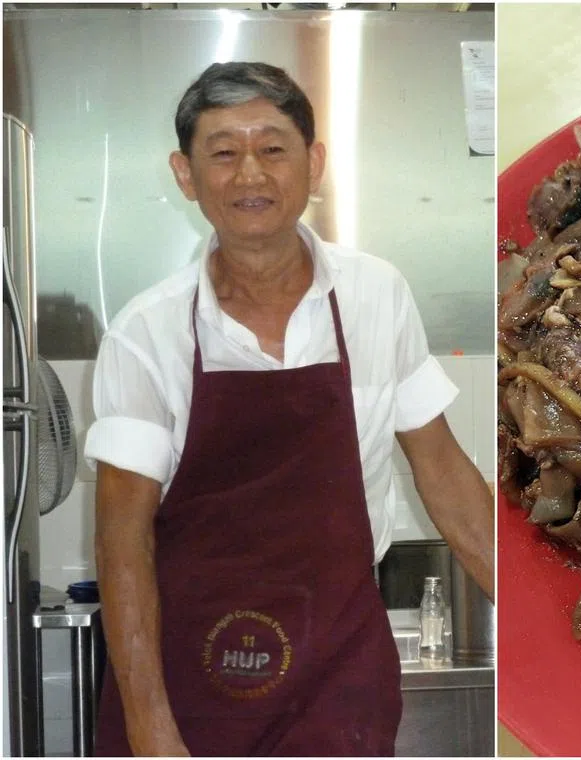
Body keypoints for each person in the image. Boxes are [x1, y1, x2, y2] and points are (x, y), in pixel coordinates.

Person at [85, 61, 494, 757]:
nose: (251, 175)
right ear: (186, 175)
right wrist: (153, 733)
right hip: (192, 682)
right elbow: (123, 544)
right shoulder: (145, 331)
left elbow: (446, 475)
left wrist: (537, 620)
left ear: (315, 161)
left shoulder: (376, 295)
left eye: (273, 148)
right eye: (224, 152)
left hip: (338, 675)